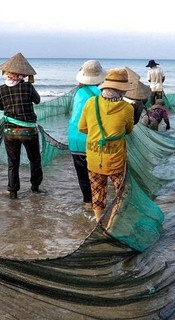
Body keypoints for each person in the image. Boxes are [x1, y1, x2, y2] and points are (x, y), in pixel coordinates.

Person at [78, 68, 135, 222]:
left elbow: (81, 128)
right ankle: (113, 222)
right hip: (116, 159)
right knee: (122, 191)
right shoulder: (127, 108)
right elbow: (129, 130)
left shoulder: (91, 103)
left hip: (94, 158)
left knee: (97, 191)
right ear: (121, 90)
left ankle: (98, 220)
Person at [0, 52, 44, 199]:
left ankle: (13, 192)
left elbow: (0, 107)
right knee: (34, 159)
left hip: (10, 131)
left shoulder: (1, 89)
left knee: (13, 162)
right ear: (21, 74)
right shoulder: (28, 87)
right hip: (28, 131)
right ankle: (35, 188)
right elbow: (37, 100)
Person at [68, 60, 106, 209]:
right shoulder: (102, 92)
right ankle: (99, 205)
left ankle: (87, 203)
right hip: (93, 138)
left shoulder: (78, 92)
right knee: (97, 174)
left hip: (74, 138)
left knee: (82, 174)